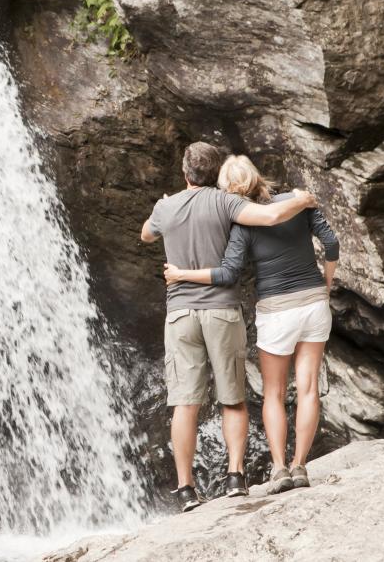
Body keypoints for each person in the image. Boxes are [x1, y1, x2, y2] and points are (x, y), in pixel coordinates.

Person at [140, 143, 317, 512]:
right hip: (222, 311)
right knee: (232, 398)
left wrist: (165, 209)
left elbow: (146, 235)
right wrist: (301, 200)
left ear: (185, 171)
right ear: (214, 172)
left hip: (180, 314)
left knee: (184, 404)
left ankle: (186, 489)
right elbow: (269, 218)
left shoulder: (165, 206)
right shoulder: (225, 202)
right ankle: (236, 477)